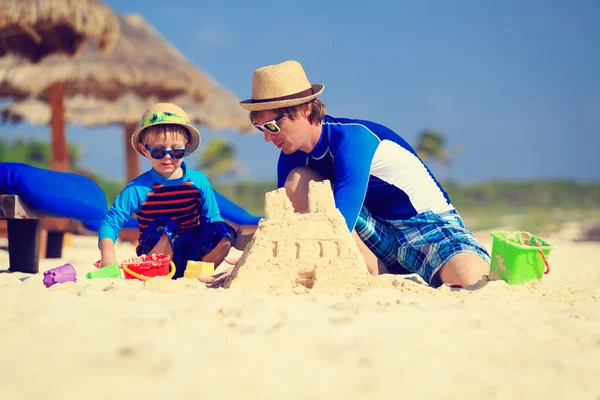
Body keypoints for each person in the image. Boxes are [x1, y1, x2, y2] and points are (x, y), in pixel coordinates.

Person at [220, 59, 491, 289]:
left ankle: (375, 268)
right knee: (298, 182)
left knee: (473, 282)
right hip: (369, 231)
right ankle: (371, 271)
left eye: (272, 126)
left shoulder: (353, 140)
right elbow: (284, 223)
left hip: (423, 226)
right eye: (260, 128)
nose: (267, 138)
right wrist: (249, 263)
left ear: (304, 109)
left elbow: (339, 225)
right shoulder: (290, 157)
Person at [97, 102, 236, 280]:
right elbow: (111, 221)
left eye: (176, 151)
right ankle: (159, 273)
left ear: (187, 146)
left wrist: (230, 242)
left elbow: (213, 220)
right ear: (144, 149)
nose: (168, 157)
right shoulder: (138, 188)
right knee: (165, 226)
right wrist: (107, 253)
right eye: (158, 152)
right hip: (156, 256)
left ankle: (200, 273)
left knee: (224, 230)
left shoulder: (198, 182)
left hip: (193, 256)